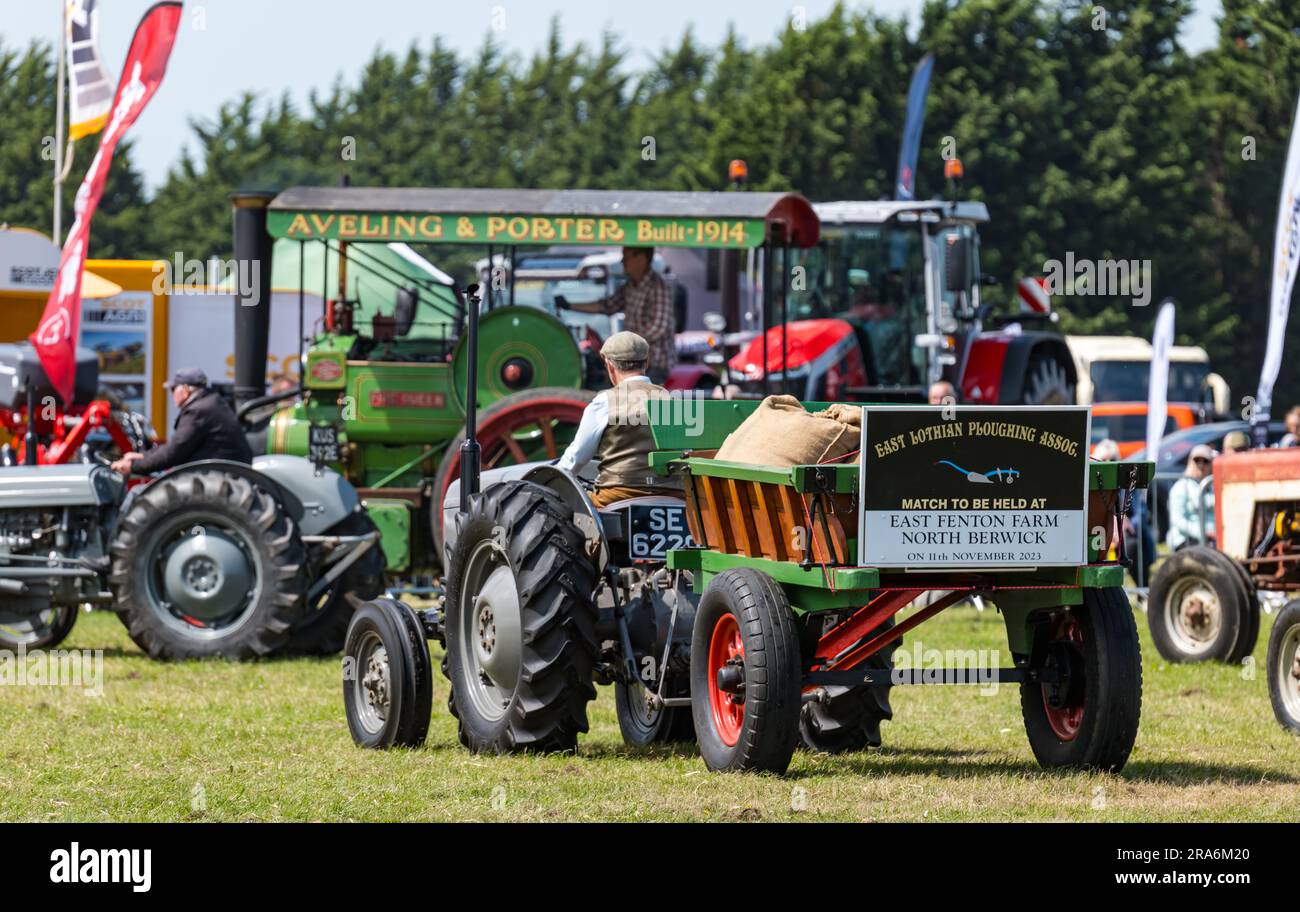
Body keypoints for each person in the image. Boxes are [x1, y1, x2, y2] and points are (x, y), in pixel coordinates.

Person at [557, 331, 683, 508]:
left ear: (609, 366)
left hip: (616, 495)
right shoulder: (672, 401)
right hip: (673, 495)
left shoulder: (604, 402)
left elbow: (576, 458)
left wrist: (554, 477)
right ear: (646, 362)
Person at [556, 246, 675, 384]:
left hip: (652, 364)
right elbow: (607, 306)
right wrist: (569, 305)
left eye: (626, 257)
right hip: (632, 362)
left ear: (641, 259)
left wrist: (621, 346)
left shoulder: (658, 287)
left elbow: (657, 328)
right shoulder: (630, 286)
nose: (622, 261)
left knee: (635, 402)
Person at [111, 368, 253, 476]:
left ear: (185, 390)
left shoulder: (198, 411)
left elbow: (173, 454)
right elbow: (176, 446)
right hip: (225, 474)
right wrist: (143, 456)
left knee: (139, 493)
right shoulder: (211, 403)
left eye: (173, 389)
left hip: (215, 477)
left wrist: (133, 467)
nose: (171, 394)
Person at [1166, 443, 1216, 550]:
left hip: (1214, 538)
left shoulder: (1213, 485)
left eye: (1205, 461)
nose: (1201, 465)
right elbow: (1177, 520)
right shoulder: (1181, 487)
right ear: (1190, 462)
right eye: (1197, 460)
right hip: (1186, 539)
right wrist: (1202, 533)